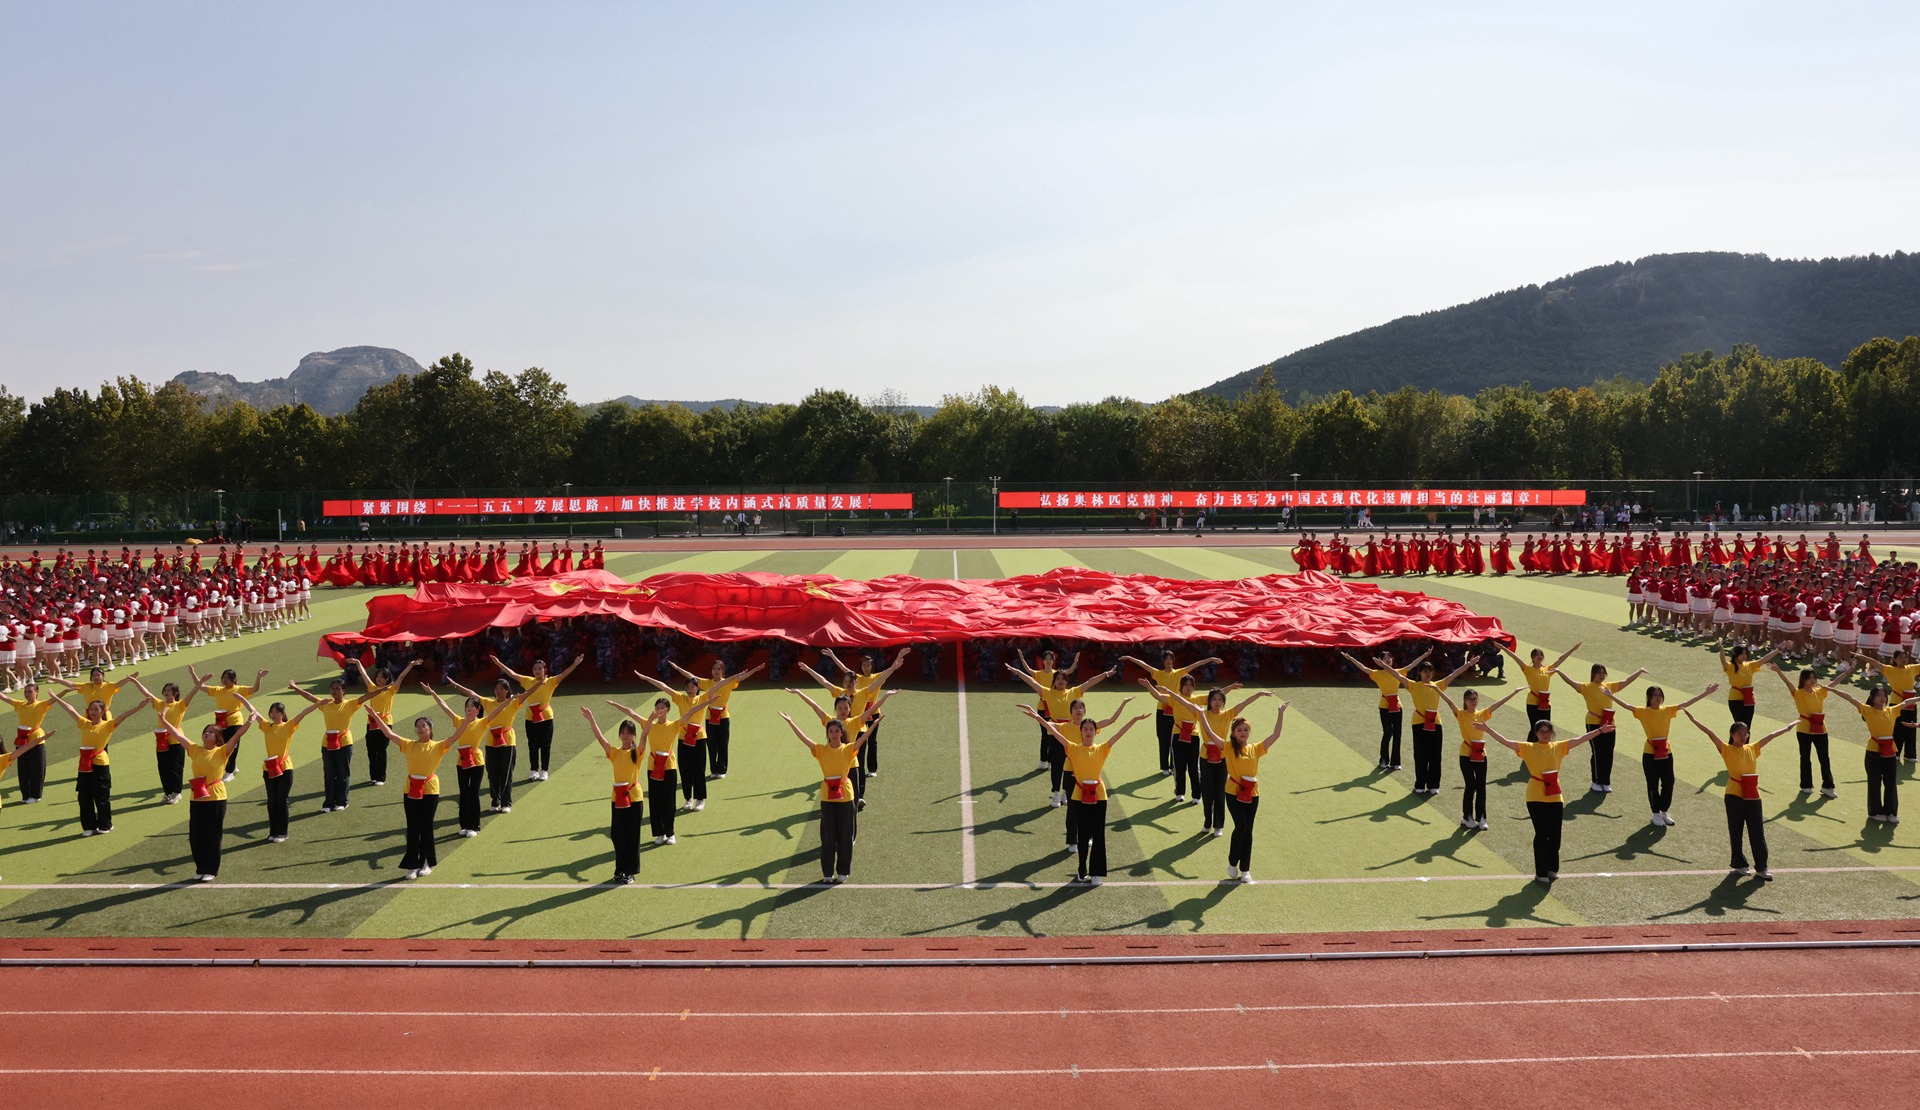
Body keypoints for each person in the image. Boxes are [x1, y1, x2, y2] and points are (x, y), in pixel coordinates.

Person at [1020, 705, 1149, 885]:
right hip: (1078, 796)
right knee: (1083, 834)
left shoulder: (1102, 748)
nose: (1088, 732)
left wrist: (1134, 720)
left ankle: (1096, 874)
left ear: (1096, 732)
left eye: (1091, 729)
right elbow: (1053, 731)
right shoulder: (1072, 748)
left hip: (1099, 796)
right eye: (1085, 729)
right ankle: (1082, 870)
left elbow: (1119, 734)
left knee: (1098, 834)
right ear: (1081, 732)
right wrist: (1037, 717)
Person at [1480, 717, 1609, 883]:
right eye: (1542, 731)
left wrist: (1600, 730)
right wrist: (1488, 730)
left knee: (1555, 834)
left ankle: (1552, 869)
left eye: (1548, 731)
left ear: (1552, 733)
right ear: (1536, 733)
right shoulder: (1528, 748)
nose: (1545, 734)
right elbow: (1506, 741)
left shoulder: (1558, 747)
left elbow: (1581, 739)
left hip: (1555, 795)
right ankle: (1541, 872)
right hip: (1535, 796)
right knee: (1541, 834)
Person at [1681, 710, 1795, 880]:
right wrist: (1693, 719)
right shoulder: (1726, 749)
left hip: (1753, 795)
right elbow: (1710, 733)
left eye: (1746, 733)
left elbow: (1771, 736)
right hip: (1734, 794)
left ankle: (1762, 867)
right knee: (1736, 830)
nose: (1743, 736)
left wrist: (1788, 728)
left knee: (1757, 831)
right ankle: (1740, 864)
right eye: (1740, 733)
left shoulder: (1752, 748)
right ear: (1732, 735)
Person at [778, 702, 883, 884]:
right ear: (828, 733)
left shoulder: (848, 749)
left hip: (846, 797)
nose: (834, 734)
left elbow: (863, 738)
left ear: (841, 733)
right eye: (831, 731)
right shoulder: (821, 750)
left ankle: (843, 871)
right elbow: (804, 738)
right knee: (828, 836)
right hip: (827, 797)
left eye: (836, 731)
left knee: (845, 835)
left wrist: (874, 724)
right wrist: (790, 722)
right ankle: (827, 873)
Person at [607, 687, 725, 845]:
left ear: (668, 710)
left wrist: (708, 702)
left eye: (662, 708)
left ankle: (670, 833)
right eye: (657, 708)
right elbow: (631, 712)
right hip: (653, 767)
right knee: (655, 801)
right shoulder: (649, 724)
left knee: (668, 801)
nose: (659, 710)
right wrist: (615, 704)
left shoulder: (674, 725)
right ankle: (659, 833)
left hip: (669, 767)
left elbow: (691, 711)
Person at [1152, 683, 1272, 837]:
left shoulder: (1228, 714)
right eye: (1214, 699)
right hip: (1205, 757)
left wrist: (1258, 694)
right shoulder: (1202, 714)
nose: (1217, 702)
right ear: (1209, 701)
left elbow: (1243, 704)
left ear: (1223, 701)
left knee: (1219, 792)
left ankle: (1218, 825)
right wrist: (1169, 691)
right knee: (1207, 792)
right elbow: (1184, 702)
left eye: (1220, 699)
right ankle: (1207, 821)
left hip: (1223, 758)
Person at [1605, 683, 1719, 826]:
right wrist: (1610, 696)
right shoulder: (1643, 711)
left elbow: (1686, 703)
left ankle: (1664, 811)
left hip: (1666, 752)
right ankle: (1655, 813)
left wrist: (1705, 693)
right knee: (1652, 783)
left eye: (1660, 695)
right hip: (1650, 753)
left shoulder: (1667, 710)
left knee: (1669, 782)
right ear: (1649, 698)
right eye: (1655, 696)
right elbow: (1627, 706)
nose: (1658, 698)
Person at [48, 690, 151, 836]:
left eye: (96, 709)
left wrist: (139, 707)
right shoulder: (84, 723)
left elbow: (124, 715)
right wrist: (56, 698)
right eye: (91, 709)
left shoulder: (108, 725)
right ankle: (89, 827)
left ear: (103, 711)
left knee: (101, 795)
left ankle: (105, 825)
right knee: (84, 796)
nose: (93, 712)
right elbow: (70, 709)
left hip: (100, 763)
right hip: (84, 764)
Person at [1013, 664, 1118, 805]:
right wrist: (1018, 672)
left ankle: (1065, 792)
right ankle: (1056, 793)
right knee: (1056, 764)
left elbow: (1090, 682)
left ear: (1067, 681)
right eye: (1058, 679)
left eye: (1063, 679)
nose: (1060, 681)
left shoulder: (1074, 692)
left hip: (1071, 732)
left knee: (1072, 765)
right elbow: (1032, 682)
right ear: (1054, 681)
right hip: (1055, 731)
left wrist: (1106, 673)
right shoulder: (1047, 693)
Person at [1206, 703, 1289, 881]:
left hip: (1252, 793)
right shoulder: (1228, 747)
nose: (1243, 732)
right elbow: (1211, 734)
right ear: (1234, 733)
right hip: (1233, 792)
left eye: (1245, 729)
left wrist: (1280, 713)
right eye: (1239, 730)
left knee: (1248, 830)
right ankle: (1232, 862)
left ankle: (1245, 870)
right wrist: (1201, 715)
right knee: (1241, 826)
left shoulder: (1255, 748)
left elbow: (1276, 735)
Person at [367, 712, 455, 879]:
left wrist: (468, 721)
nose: (420, 728)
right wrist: (376, 717)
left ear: (430, 729)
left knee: (426, 826)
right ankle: (413, 865)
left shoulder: (438, 746)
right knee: (413, 827)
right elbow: (389, 734)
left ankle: (427, 862)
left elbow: (455, 736)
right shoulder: (409, 745)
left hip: (430, 790)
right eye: (418, 726)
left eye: (424, 726)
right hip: (411, 790)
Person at [1821, 681, 1918, 824]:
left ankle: (1891, 812)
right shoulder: (1867, 710)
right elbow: (1850, 698)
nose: (1882, 698)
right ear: (1872, 698)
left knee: (1891, 782)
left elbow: (1907, 702)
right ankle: (1875, 812)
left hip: (1890, 751)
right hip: (1874, 752)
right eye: (1879, 695)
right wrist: (1831, 689)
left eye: (1884, 695)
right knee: (1874, 782)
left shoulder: (1892, 710)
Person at [170, 717, 248, 881]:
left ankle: (211, 870)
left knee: (213, 834)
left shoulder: (222, 751)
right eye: (205, 731)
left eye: (211, 732)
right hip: (197, 797)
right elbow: (178, 736)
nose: (207, 734)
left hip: (216, 797)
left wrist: (249, 722)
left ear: (217, 737)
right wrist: (164, 720)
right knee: (196, 834)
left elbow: (236, 735)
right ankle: (201, 868)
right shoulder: (195, 749)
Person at [1120, 651, 1222, 776]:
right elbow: (1144, 665)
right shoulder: (1158, 674)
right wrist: (1130, 657)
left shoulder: (1179, 673)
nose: (1168, 661)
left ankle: (1174, 765)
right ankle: (1164, 767)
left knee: (1175, 739)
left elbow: (1195, 665)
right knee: (1163, 739)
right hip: (1162, 711)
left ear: (1173, 661)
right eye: (1166, 659)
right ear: (1163, 661)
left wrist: (1210, 659)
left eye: (1170, 659)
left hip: (1176, 710)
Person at [236, 693, 319, 842]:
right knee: (271, 802)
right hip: (269, 769)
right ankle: (273, 832)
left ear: (282, 714)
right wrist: (242, 699)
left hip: (285, 769)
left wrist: (319, 704)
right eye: (271, 712)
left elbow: (303, 713)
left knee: (281, 801)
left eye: (276, 712)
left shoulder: (288, 726)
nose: (273, 714)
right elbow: (253, 711)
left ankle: (282, 833)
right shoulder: (266, 726)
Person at [288, 678, 376, 813]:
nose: (334, 691)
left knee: (342, 773)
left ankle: (342, 801)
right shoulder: (326, 704)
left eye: (337, 689)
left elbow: (367, 696)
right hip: (327, 743)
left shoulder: (350, 704)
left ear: (343, 691)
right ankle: (328, 803)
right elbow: (310, 697)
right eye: (332, 689)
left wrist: (382, 689)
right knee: (329, 774)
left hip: (345, 743)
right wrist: (295, 687)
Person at [492, 653, 584, 782]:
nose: (537, 671)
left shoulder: (551, 681)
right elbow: (512, 674)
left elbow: (565, 673)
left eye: (540, 668)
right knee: (533, 745)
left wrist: (575, 663)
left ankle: (544, 770)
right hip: (530, 718)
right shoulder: (528, 681)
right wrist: (498, 663)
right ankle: (534, 770)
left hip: (546, 717)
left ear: (545, 670)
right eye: (535, 669)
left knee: (545, 745)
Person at [1438, 686, 1520, 829]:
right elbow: (1449, 702)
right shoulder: (1461, 714)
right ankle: (1467, 817)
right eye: (1470, 699)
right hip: (1466, 754)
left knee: (1481, 786)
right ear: (1465, 700)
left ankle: (1482, 818)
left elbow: (1498, 704)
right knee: (1470, 785)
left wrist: (1514, 692)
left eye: (1475, 699)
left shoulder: (1482, 714)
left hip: (1481, 754)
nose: (1473, 701)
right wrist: (1436, 689)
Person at [1557, 662, 1647, 793]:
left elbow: (1625, 682)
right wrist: (1559, 672)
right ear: (1593, 674)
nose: (1602, 675)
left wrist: (1639, 671)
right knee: (1597, 752)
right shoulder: (1586, 687)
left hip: (1609, 723)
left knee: (1608, 752)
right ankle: (1595, 781)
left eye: (1604, 673)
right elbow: (1571, 682)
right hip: (1593, 722)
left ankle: (1605, 782)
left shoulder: (1608, 686)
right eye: (1599, 673)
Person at [818, 648, 907, 780]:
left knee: (871, 741)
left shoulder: (874, 678)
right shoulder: (857, 679)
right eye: (864, 665)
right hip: (858, 715)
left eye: (868, 665)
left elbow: (887, 672)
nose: (866, 668)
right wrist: (832, 655)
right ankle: (850, 771)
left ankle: (871, 769)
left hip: (873, 712)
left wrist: (895, 663)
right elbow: (844, 669)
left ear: (872, 666)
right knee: (853, 744)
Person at [445, 677, 530, 814]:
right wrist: (456, 684)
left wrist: (539, 683)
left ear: (507, 690)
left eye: (501, 688)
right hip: (491, 742)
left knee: (506, 772)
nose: (498, 691)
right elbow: (471, 693)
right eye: (496, 688)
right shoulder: (488, 703)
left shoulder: (513, 702)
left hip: (508, 742)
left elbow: (527, 694)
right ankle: (495, 801)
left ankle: (506, 802)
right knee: (492, 773)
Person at [580, 707, 644, 884]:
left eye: (629, 733)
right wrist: (591, 719)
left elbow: (645, 735)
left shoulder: (637, 753)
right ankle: (619, 869)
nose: (625, 736)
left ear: (634, 735)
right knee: (617, 835)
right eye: (623, 732)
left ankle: (629, 872)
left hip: (634, 798)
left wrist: (652, 717)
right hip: (618, 798)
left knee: (632, 836)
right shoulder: (614, 752)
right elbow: (600, 738)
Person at [1337, 648, 1428, 771]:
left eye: (1389, 657)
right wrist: (1351, 658)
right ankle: (1384, 760)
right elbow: (1363, 668)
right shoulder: (1377, 674)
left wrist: (1425, 654)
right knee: (1387, 733)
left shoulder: (1398, 672)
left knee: (1397, 734)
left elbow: (1412, 664)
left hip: (1397, 706)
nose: (1388, 659)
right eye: (1385, 658)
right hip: (1384, 706)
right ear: (1380, 661)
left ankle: (1396, 762)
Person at [1397, 656, 1476, 795]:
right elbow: (1397, 675)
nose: (1428, 673)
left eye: (1430, 671)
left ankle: (1433, 785)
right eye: (1425, 671)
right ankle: (1420, 784)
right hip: (1419, 723)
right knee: (1420, 754)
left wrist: (1468, 664)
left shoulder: (1437, 685)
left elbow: (1454, 674)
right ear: (1420, 672)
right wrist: (1383, 666)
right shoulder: (1413, 686)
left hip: (1435, 723)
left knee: (1435, 754)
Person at [126, 675, 206, 805]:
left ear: (176, 693)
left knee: (175, 768)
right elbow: (147, 693)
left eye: (170, 690)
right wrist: (135, 681)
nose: (167, 692)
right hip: (161, 741)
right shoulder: (160, 704)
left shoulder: (180, 705)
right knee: (163, 768)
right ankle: (168, 792)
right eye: (165, 690)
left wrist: (200, 682)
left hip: (176, 741)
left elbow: (192, 693)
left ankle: (177, 792)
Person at [191, 665, 269, 781]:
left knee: (233, 745)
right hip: (220, 722)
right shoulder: (217, 690)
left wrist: (258, 677)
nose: (224, 680)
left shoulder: (239, 689)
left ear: (234, 679)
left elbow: (254, 689)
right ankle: (233, 766)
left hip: (235, 721)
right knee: (222, 746)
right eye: (223, 678)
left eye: (227, 678)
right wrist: (193, 673)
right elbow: (201, 686)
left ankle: (229, 772)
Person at [1009, 647, 1082, 768]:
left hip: (1054, 707)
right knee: (1045, 735)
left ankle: (1052, 761)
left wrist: (1075, 662)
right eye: (1046, 659)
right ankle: (1043, 760)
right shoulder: (1039, 674)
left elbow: (1069, 671)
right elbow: (1029, 672)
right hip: (1043, 708)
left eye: (1050, 659)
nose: (1048, 661)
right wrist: (1021, 659)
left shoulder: (1057, 674)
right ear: (1042, 661)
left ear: (1053, 661)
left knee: (1056, 735)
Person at [1769, 666, 1835, 797]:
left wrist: (1848, 671)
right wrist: (1779, 671)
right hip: (1804, 729)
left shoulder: (1820, 691)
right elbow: (1787, 683)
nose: (1812, 680)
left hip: (1820, 729)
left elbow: (1834, 683)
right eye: (1809, 678)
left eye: (1814, 677)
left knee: (1824, 758)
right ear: (1803, 679)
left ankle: (1828, 786)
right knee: (1805, 758)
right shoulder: (1798, 693)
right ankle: (1806, 785)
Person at [350, 658, 417, 786]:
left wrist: (411, 665)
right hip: (371, 723)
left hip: (385, 723)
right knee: (371, 750)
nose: (378, 679)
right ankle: (373, 776)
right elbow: (364, 675)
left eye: (381, 677)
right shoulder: (373, 689)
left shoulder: (391, 690)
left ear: (387, 679)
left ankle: (381, 777)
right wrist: (358, 663)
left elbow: (401, 676)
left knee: (381, 750)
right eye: (377, 677)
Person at [1501, 643, 1579, 728]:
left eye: (1541, 655)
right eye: (1537, 655)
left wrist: (1573, 649)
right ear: (1532, 658)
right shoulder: (1527, 669)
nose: (1539, 656)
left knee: (1546, 727)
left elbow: (1560, 660)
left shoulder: (1548, 669)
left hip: (1545, 702)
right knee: (1535, 728)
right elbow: (1516, 658)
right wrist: (1502, 647)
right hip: (1532, 702)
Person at [4, 681, 58, 803]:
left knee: (37, 769)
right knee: (23, 769)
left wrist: (65, 691)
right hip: (22, 739)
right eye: (25, 692)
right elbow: (6, 698)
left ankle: (35, 795)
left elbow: (53, 700)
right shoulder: (20, 705)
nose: (27, 694)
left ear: (37, 692)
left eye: (30, 691)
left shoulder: (41, 705)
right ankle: (25, 795)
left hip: (37, 739)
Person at [1718, 645, 1779, 729]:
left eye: (1746, 654)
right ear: (1735, 654)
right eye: (1742, 654)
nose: (1744, 656)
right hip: (1735, 699)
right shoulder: (1731, 666)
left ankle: (1746, 738)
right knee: (1740, 726)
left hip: (1748, 698)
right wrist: (1722, 650)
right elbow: (1723, 661)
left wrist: (1779, 649)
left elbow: (1764, 659)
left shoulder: (1749, 665)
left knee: (1747, 727)